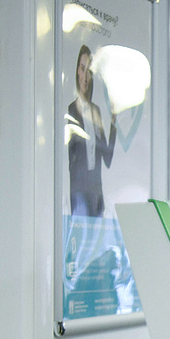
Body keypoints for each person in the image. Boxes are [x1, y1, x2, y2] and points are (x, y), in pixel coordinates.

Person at [66, 44, 116, 217]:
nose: (85, 76)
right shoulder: (71, 110)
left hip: (97, 194)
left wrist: (114, 125)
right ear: (77, 72)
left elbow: (107, 159)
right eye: (82, 68)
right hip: (79, 194)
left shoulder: (96, 112)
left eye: (90, 71)